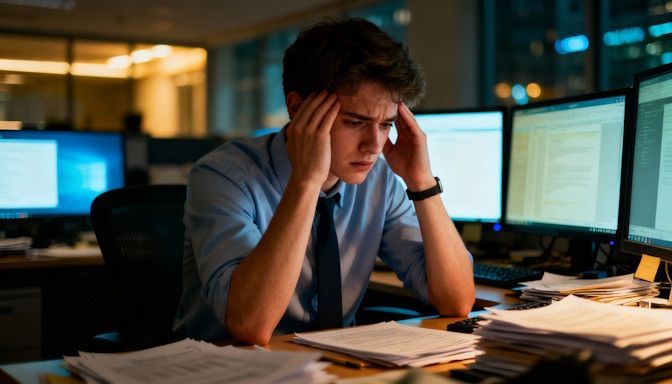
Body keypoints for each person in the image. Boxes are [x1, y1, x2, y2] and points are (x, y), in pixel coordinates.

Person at [175, 17, 475, 345]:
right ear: (297, 108)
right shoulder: (222, 176)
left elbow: (457, 300)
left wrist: (421, 182)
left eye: (386, 124)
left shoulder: (380, 180)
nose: (374, 146)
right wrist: (306, 182)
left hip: (338, 367)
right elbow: (250, 325)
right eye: (356, 121)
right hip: (230, 369)